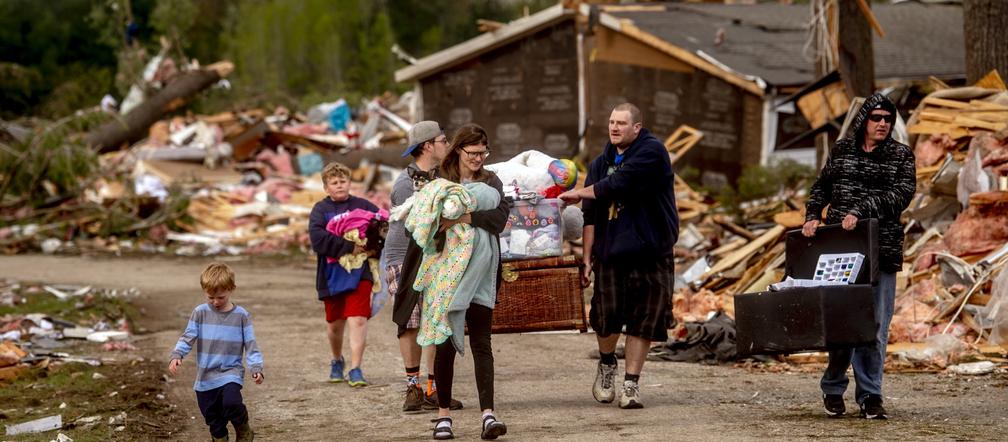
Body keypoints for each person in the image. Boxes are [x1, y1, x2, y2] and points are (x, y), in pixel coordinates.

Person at [802, 93, 915, 420]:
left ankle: (870, 396)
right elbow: (821, 187)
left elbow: (902, 194)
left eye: (888, 119)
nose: (883, 124)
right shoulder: (842, 150)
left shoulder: (900, 156)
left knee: (875, 326)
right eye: (876, 117)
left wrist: (861, 211)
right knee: (842, 323)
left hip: (882, 250)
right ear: (863, 120)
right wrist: (813, 215)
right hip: (841, 250)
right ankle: (833, 386)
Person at [559, 103, 679, 410]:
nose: (615, 127)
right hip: (612, 254)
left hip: (652, 252)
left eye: (622, 123)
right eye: (612, 122)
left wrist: (578, 192)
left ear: (636, 127)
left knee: (645, 320)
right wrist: (586, 260)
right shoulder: (601, 163)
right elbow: (590, 218)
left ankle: (631, 384)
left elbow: (617, 184)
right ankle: (607, 363)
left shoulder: (652, 152)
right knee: (606, 318)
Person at [421, 123, 510, 440]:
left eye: (483, 153)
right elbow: (427, 220)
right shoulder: (440, 179)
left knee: (482, 344)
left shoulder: (492, 180)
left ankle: (488, 414)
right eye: (472, 153)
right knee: (444, 344)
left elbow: (500, 219)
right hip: (447, 273)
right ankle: (443, 416)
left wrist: (462, 217)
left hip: (483, 274)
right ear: (458, 149)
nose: (478, 158)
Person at [387, 120, 462, 411]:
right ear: (428, 145)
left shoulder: (444, 175)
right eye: (443, 140)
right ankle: (413, 387)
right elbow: (421, 223)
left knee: (435, 321)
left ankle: (433, 388)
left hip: (432, 256)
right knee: (411, 320)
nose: (447, 145)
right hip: (403, 257)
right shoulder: (406, 183)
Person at [169, 263, 264, 442]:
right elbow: (188, 337)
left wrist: (256, 367)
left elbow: (251, 344)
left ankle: (243, 428)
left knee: (232, 402)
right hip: (205, 375)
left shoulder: (241, 316)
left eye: (220, 297)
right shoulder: (200, 313)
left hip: (231, 372)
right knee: (212, 416)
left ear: (231, 289)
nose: (215, 302)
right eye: (210, 297)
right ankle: (219, 437)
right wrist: (177, 355)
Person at [309, 161, 380, 387]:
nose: (339, 185)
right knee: (334, 324)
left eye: (343, 181)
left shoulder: (363, 206)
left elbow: (383, 228)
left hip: (361, 272)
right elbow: (317, 239)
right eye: (334, 182)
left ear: (350, 182)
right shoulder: (321, 210)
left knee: (358, 319)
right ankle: (337, 360)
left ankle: (356, 368)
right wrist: (349, 246)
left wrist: (372, 248)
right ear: (326, 187)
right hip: (331, 275)